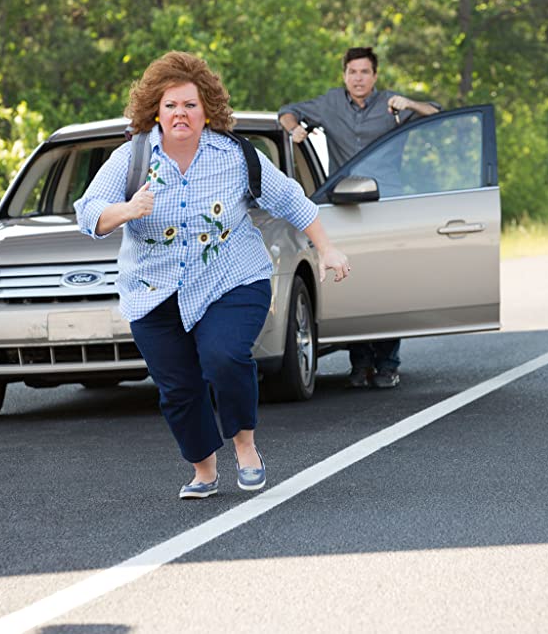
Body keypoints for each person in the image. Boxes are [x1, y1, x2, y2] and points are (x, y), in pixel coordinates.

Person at [75, 51, 349, 499]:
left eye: (190, 105)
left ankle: (246, 447)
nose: (180, 113)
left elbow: (290, 199)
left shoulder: (236, 156)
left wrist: (328, 248)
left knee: (224, 356)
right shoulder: (131, 159)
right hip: (154, 289)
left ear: (208, 112)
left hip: (233, 278)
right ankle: (204, 470)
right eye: (171, 106)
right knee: (178, 388)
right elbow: (89, 214)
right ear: (155, 112)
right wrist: (127, 209)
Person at [278, 46, 439, 390]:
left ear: (375, 76)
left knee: (389, 284)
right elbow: (287, 112)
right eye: (352, 72)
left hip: (387, 206)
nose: (358, 78)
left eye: (365, 72)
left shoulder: (391, 104)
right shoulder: (331, 103)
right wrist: (294, 130)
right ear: (344, 75)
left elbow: (436, 113)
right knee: (353, 282)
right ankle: (361, 362)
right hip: (347, 208)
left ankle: (387, 363)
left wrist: (408, 104)